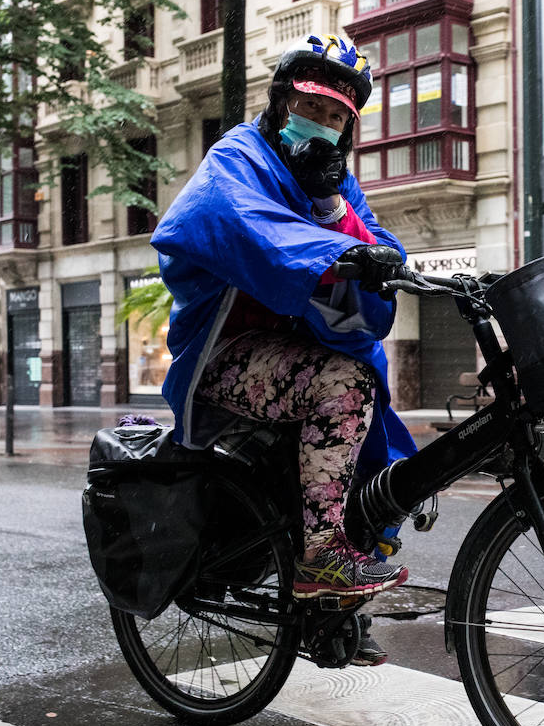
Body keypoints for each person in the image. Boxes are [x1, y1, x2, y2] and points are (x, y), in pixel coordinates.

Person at [150, 35, 417, 666]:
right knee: (342, 387)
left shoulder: (337, 182)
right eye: (312, 105)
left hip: (297, 353)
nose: (321, 123)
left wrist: (331, 207)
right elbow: (238, 223)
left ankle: (332, 615)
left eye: (336, 117)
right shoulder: (237, 155)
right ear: (281, 101)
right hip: (225, 353)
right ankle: (321, 558)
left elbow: (379, 246)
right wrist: (334, 248)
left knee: (372, 461)